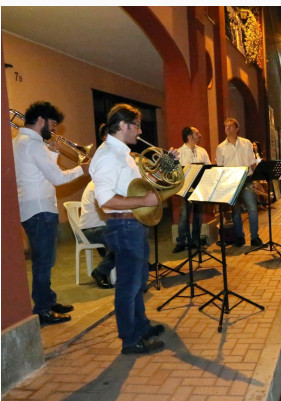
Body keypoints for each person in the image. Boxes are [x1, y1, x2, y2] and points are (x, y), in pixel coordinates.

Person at [90, 103, 169, 354]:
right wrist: (143, 202)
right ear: (123, 125)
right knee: (128, 285)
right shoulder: (107, 156)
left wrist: (165, 165)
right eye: (136, 124)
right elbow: (105, 200)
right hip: (123, 225)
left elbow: (136, 185)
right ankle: (130, 340)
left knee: (138, 282)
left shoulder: (123, 154)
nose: (139, 129)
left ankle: (141, 327)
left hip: (133, 224)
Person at [13, 101, 90, 325]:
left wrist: (53, 156)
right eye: (52, 124)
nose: (54, 130)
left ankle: (47, 300)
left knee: (44, 259)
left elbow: (38, 173)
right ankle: (43, 309)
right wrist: (82, 169)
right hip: (40, 210)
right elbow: (57, 178)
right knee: (44, 261)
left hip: (33, 208)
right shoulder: (33, 144)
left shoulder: (21, 142)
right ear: (41, 120)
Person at [216, 118, 263, 247]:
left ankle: (254, 237)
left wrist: (257, 180)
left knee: (252, 209)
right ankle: (239, 237)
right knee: (235, 211)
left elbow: (252, 162)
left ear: (237, 129)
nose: (227, 128)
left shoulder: (246, 143)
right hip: (231, 182)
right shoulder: (220, 147)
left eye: (230, 126)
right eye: (225, 126)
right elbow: (220, 167)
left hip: (247, 179)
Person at [173, 126, 211, 253]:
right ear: (190, 137)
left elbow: (209, 167)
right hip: (185, 188)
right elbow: (176, 173)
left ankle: (195, 240)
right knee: (184, 214)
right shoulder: (179, 152)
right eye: (196, 133)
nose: (199, 135)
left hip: (199, 188)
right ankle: (182, 241)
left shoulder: (202, 151)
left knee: (198, 215)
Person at [80, 181, 115, 288]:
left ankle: (140, 265)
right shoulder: (98, 185)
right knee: (120, 238)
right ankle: (100, 271)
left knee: (127, 233)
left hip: (101, 227)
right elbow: (108, 211)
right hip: (91, 230)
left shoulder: (102, 182)